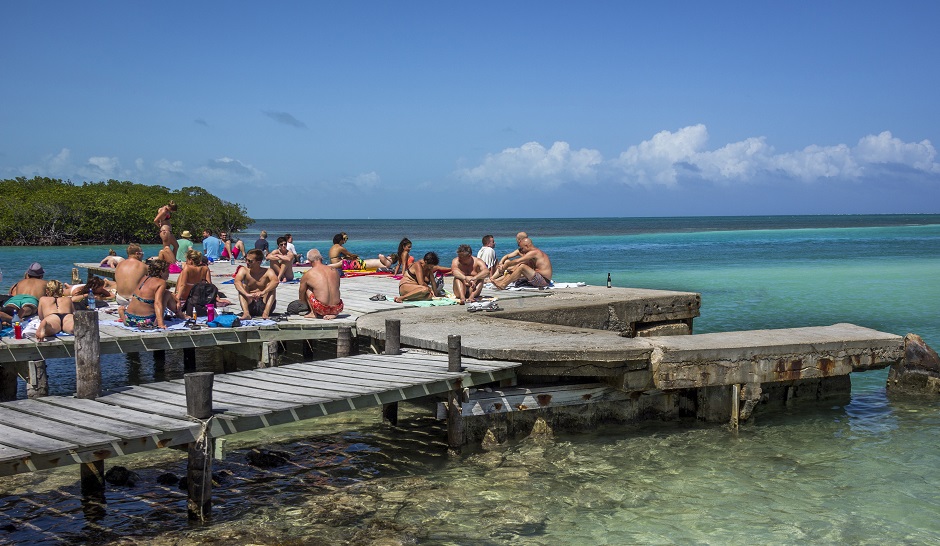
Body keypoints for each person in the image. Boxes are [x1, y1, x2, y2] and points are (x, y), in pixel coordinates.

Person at [117, 259, 180, 329]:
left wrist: (175, 298)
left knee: (166, 293)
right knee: (167, 295)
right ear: (161, 272)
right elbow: (158, 303)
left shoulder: (144, 278)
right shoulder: (161, 282)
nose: (169, 273)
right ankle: (180, 314)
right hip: (146, 321)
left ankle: (122, 313)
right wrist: (161, 324)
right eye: (167, 271)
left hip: (129, 319)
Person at [298, 249, 343, 319]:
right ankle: (333, 313)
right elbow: (337, 287)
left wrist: (304, 303)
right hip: (337, 308)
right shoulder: (334, 270)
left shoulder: (308, 274)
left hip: (321, 308)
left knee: (307, 288)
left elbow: (301, 293)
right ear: (321, 258)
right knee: (333, 286)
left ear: (309, 261)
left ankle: (313, 313)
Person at [233, 249, 279, 319]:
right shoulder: (244, 270)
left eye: (250, 261)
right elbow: (237, 282)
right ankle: (246, 313)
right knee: (243, 287)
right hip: (250, 302)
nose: (247, 262)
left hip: (264, 303)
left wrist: (263, 292)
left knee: (271, 287)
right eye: (246, 260)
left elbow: (275, 281)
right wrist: (247, 294)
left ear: (258, 262)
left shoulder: (268, 271)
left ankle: (265, 313)